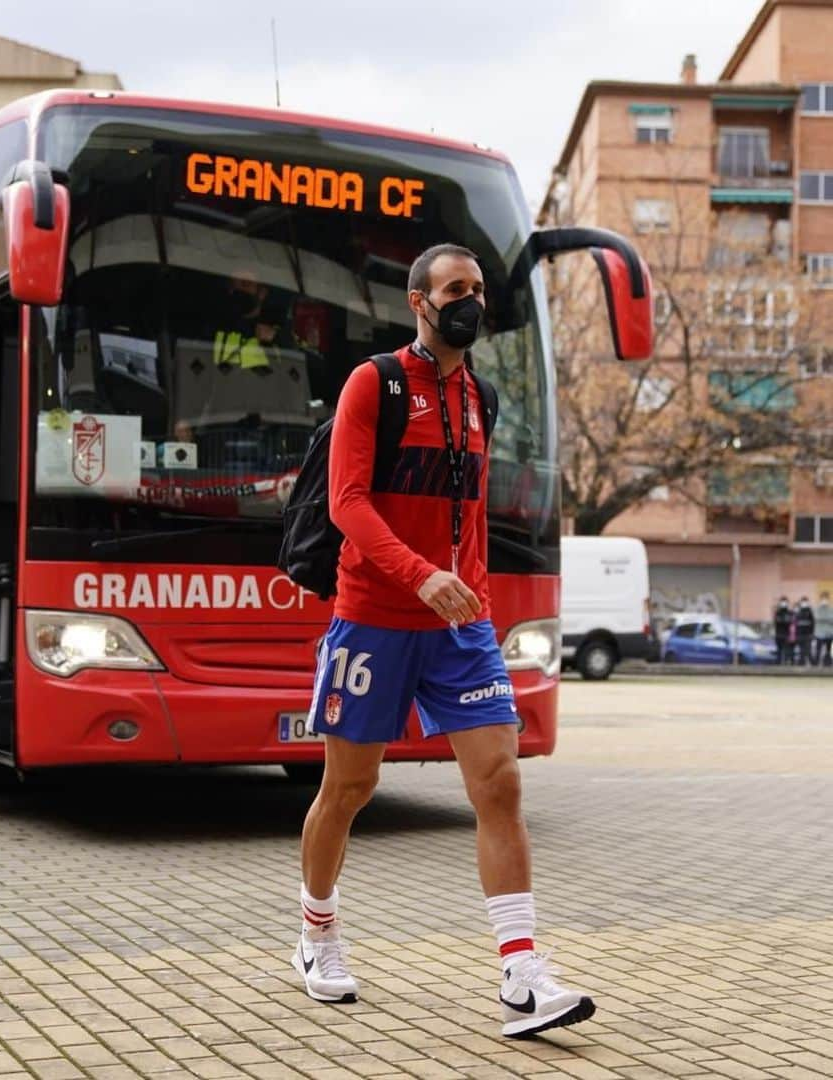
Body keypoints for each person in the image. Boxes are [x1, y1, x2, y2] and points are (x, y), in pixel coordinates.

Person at [292, 244, 594, 1039]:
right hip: (374, 619)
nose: (472, 301)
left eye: (478, 290)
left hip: (461, 631)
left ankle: (523, 975)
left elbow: (471, 525)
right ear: (419, 302)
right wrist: (421, 575)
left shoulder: (481, 398)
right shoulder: (376, 383)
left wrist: (475, 604)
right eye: (455, 289)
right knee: (347, 791)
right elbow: (348, 505)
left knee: (499, 784)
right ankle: (317, 930)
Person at [795, 596, 815, 667]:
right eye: (803, 602)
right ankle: (801, 664)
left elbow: (813, 623)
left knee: (808, 650)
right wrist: (797, 634)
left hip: (808, 635)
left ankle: (813, 664)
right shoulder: (798, 611)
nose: (804, 603)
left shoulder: (810, 611)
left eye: (805, 602)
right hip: (800, 635)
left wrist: (812, 633)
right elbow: (796, 624)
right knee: (801, 651)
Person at [815, 591, 833, 668]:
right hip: (819, 633)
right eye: (823, 598)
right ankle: (816, 664)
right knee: (818, 650)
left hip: (829, 633)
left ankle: (827, 664)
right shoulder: (817, 609)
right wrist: (827, 619)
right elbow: (817, 618)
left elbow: (831, 619)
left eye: (826, 598)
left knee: (828, 651)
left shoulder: (831, 609)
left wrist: (825, 619)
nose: (824, 600)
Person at [773, 597, 793, 666]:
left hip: (786, 634)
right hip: (778, 634)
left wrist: (783, 621)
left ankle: (785, 664)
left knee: (786, 651)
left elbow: (789, 622)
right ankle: (778, 664)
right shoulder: (777, 612)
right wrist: (784, 621)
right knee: (779, 651)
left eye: (785, 602)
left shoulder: (789, 612)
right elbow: (777, 622)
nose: (784, 603)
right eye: (782, 602)